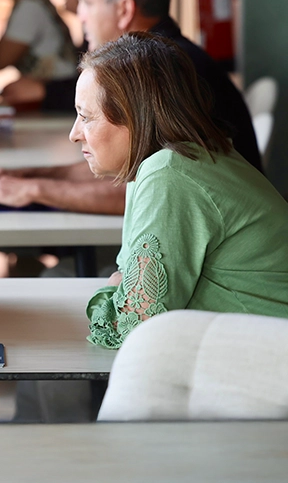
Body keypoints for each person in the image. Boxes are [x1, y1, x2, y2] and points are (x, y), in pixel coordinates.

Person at [0, 0, 261, 213]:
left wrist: (35, 189)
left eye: (87, 2)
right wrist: (34, 177)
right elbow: (128, 165)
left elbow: (152, 190)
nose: (80, 14)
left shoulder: (168, 71)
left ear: (124, 10)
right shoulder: (166, 56)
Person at [73, 32, 288, 349]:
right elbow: (126, 274)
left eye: (85, 117)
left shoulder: (170, 174)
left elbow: (131, 329)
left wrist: (110, 291)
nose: (74, 134)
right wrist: (120, 285)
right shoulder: (173, 156)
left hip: (266, 366)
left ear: (135, 117)